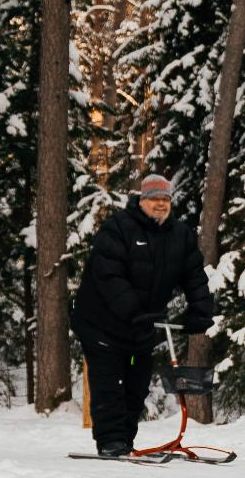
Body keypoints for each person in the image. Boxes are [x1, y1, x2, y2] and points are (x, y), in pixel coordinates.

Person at [71, 173, 216, 458]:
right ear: (142, 201)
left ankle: (125, 439)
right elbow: (108, 275)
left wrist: (200, 310)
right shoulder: (118, 229)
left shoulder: (180, 235)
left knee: (137, 386)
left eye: (166, 199)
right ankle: (111, 441)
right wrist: (133, 310)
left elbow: (194, 276)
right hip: (101, 324)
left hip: (141, 326)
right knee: (109, 384)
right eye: (154, 199)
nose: (160, 205)